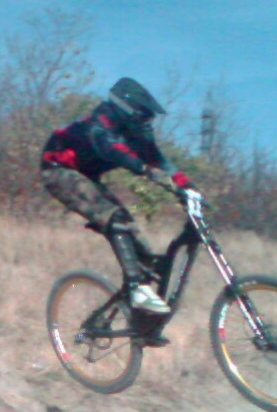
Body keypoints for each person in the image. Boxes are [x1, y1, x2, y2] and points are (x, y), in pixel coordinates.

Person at [41, 77, 194, 315]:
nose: (148, 122)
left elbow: (161, 162)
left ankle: (140, 316)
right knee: (113, 217)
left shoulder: (136, 133)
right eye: (144, 116)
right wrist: (146, 170)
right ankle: (135, 288)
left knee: (138, 242)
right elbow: (113, 151)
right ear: (127, 111)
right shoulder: (100, 124)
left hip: (86, 176)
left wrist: (189, 188)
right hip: (58, 170)